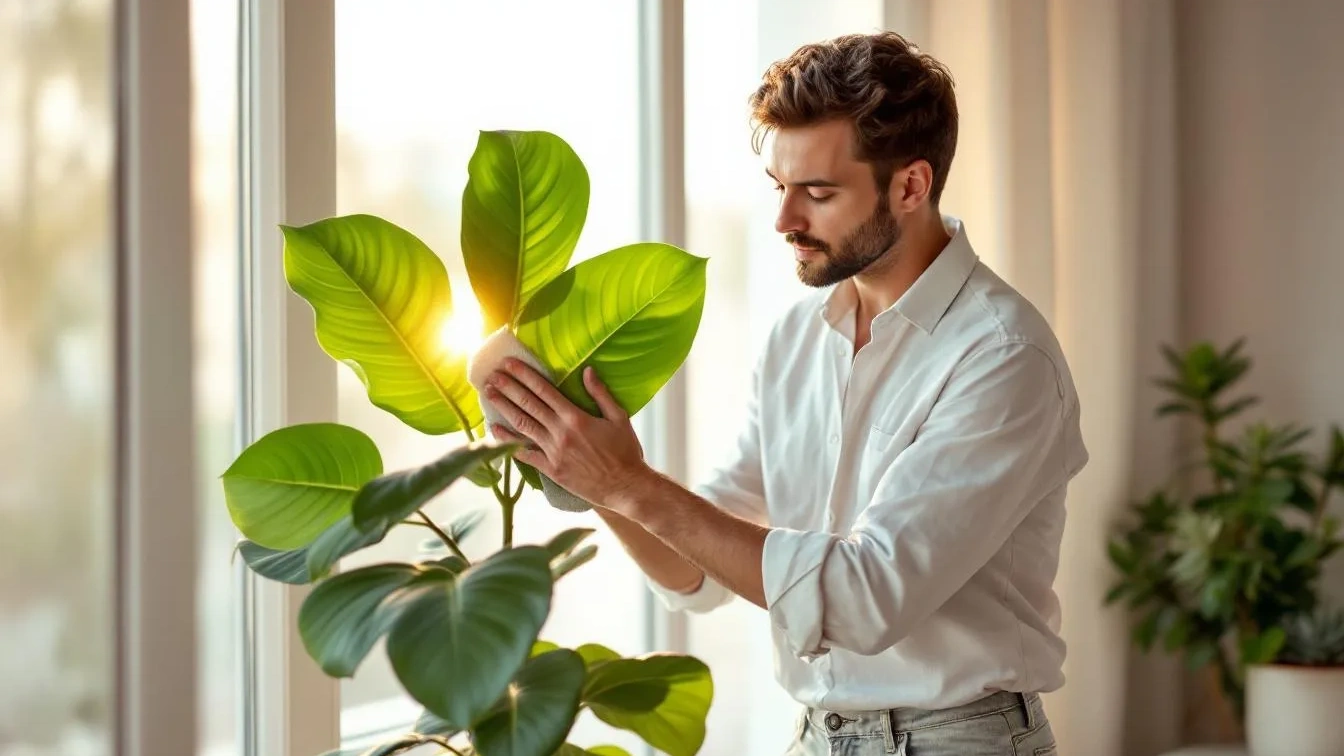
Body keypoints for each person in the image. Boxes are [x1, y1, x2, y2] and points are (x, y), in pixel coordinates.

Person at [483, 31, 1087, 756]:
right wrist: (583, 471)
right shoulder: (796, 341)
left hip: (959, 742)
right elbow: (699, 571)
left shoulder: (1002, 357)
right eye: (779, 187)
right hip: (813, 738)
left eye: (818, 193)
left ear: (911, 186)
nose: (784, 221)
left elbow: (863, 600)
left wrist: (630, 482)